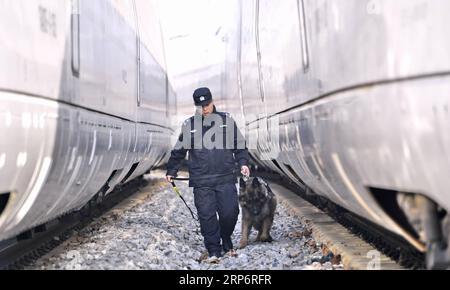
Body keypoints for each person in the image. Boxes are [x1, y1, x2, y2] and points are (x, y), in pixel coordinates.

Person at [166, 87, 250, 259]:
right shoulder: (190, 125)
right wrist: (171, 170)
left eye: (207, 104)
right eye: (200, 105)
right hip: (201, 179)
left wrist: (243, 163)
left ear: (212, 102)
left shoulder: (226, 121)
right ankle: (213, 248)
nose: (204, 108)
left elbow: (239, 145)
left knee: (230, 212)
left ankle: (225, 237)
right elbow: (179, 150)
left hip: (225, 176)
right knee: (206, 215)